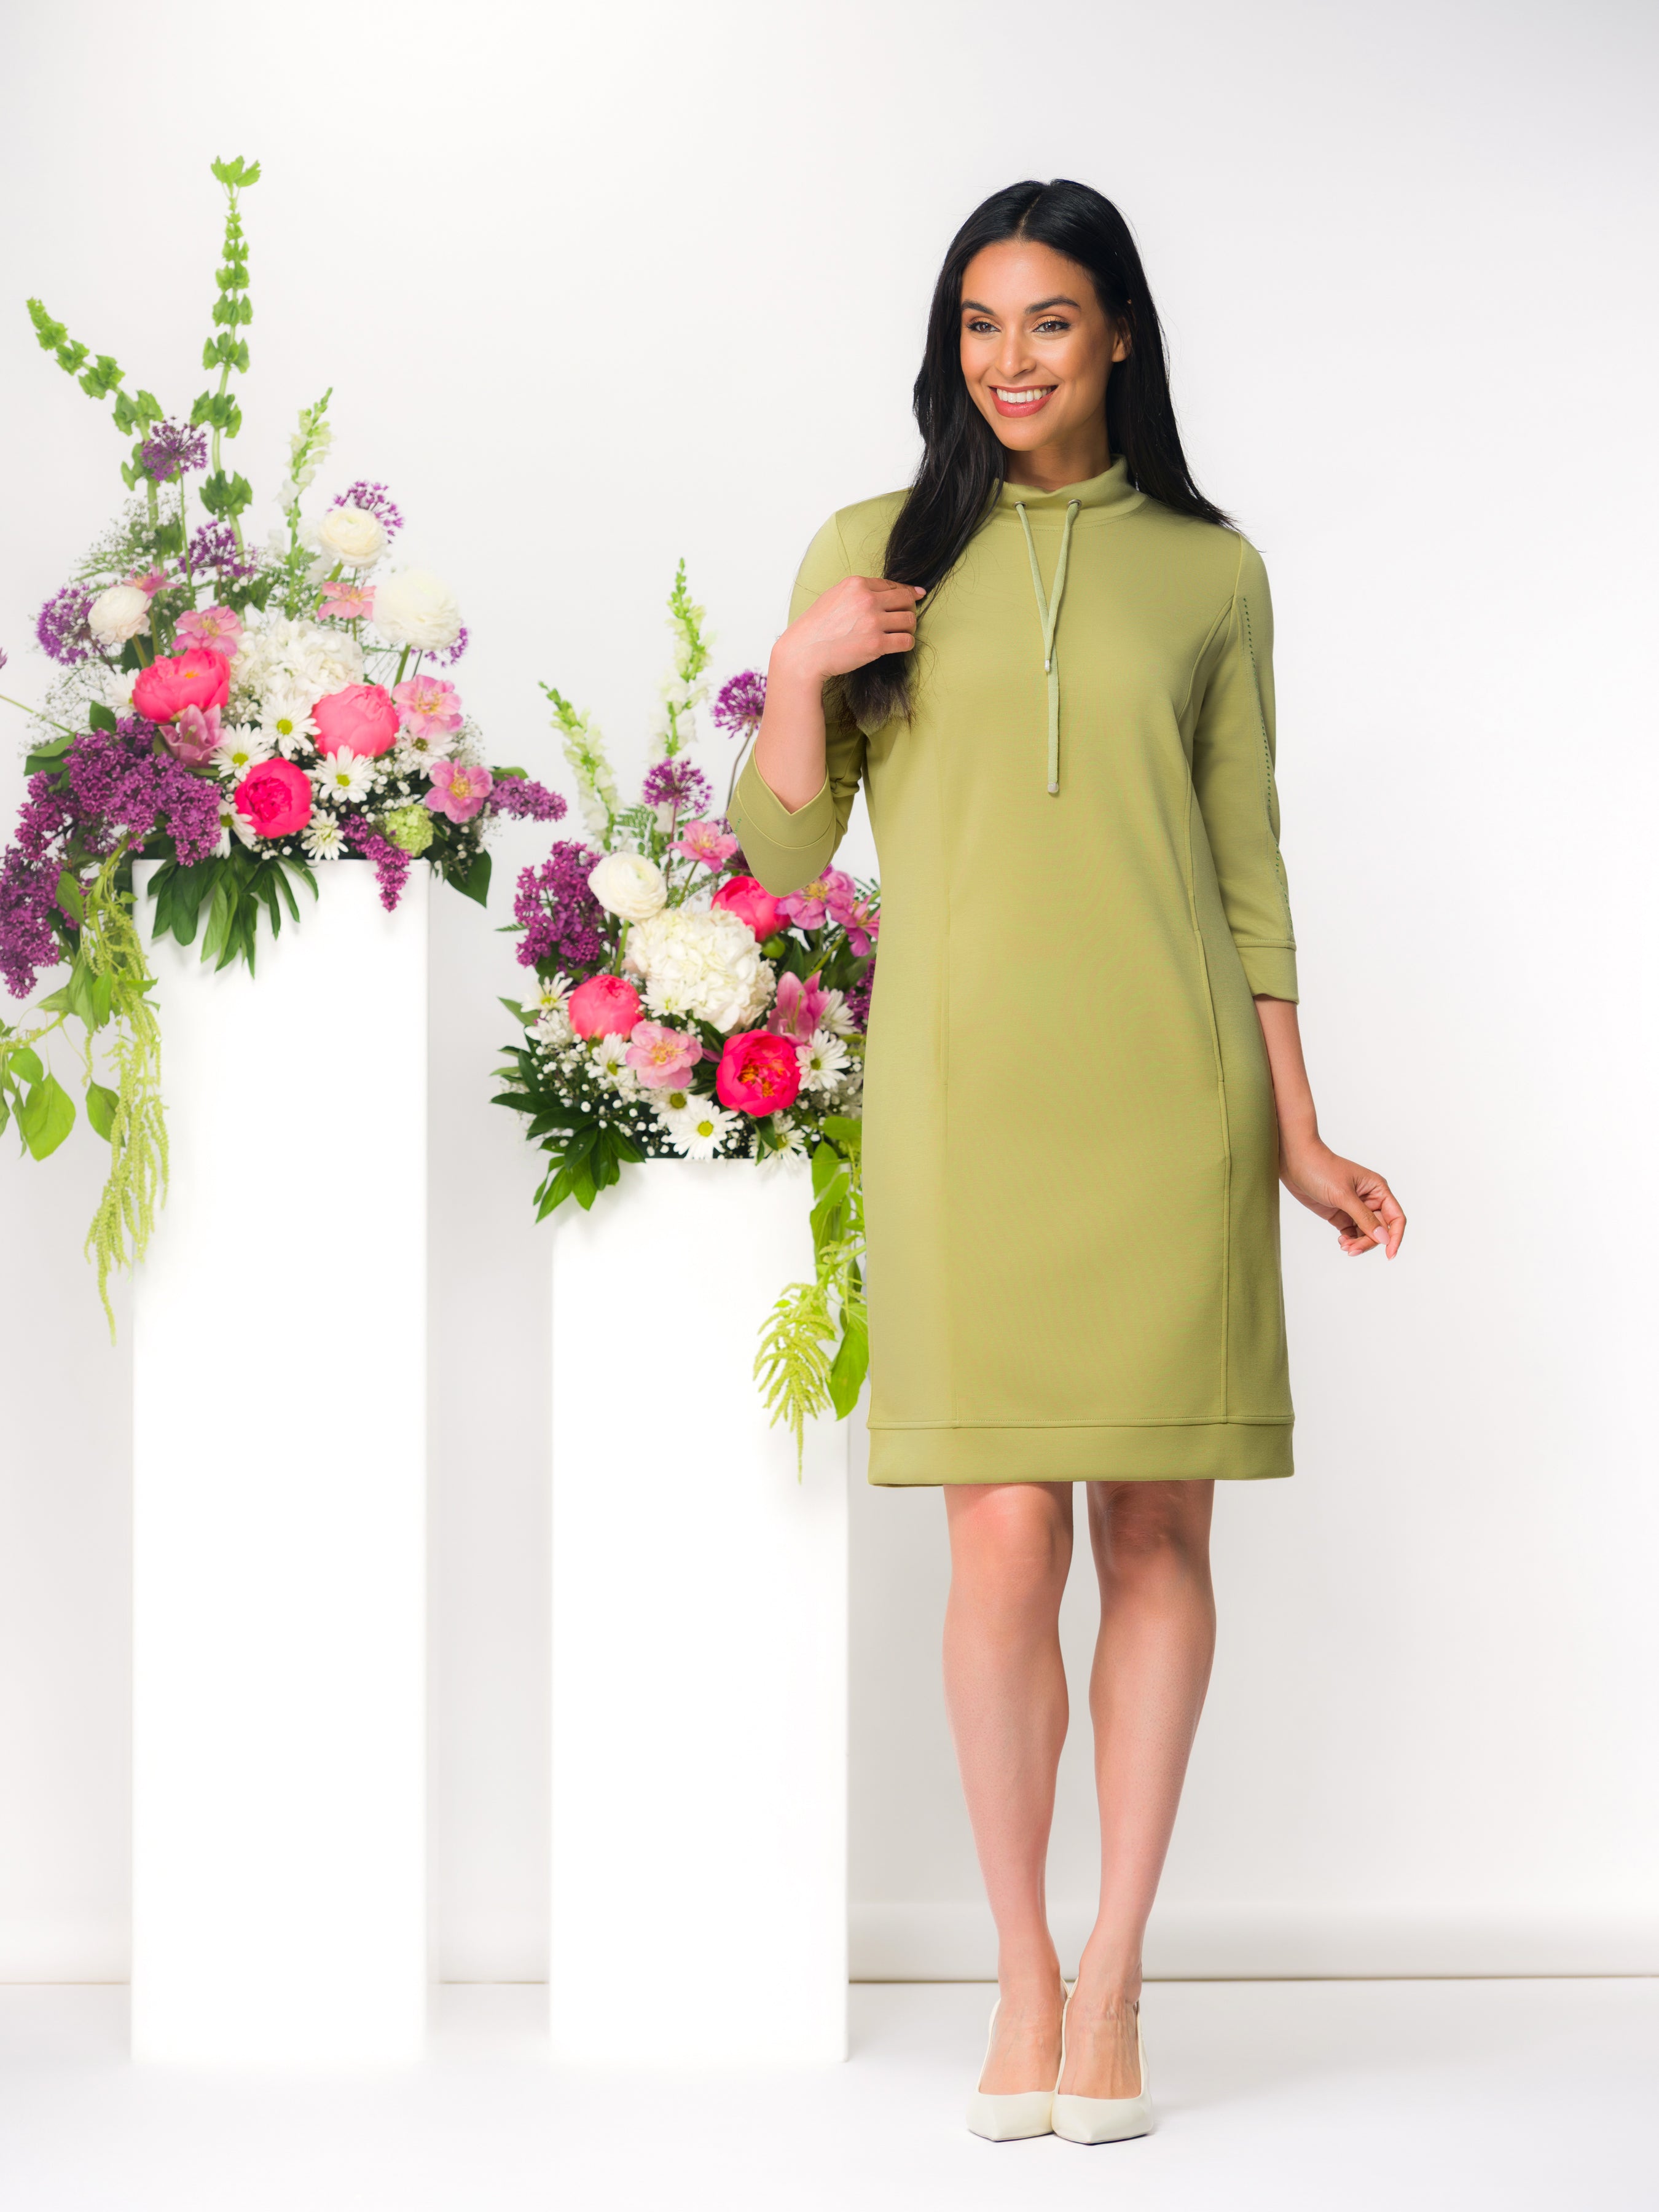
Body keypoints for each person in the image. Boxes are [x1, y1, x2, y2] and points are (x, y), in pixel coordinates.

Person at [728, 178, 1405, 2147]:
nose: (1008, 360)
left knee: (1159, 1536)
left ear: (1118, 335)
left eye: (1047, 321)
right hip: (954, 1102)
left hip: (1165, 1095)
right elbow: (776, 871)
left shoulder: (1207, 570)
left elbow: (1247, 873)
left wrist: (1294, 1133)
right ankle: (1017, 1974)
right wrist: (792, 671)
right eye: (975, 325)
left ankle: (1113, 1981)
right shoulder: (872, 553)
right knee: (1000, 1540)